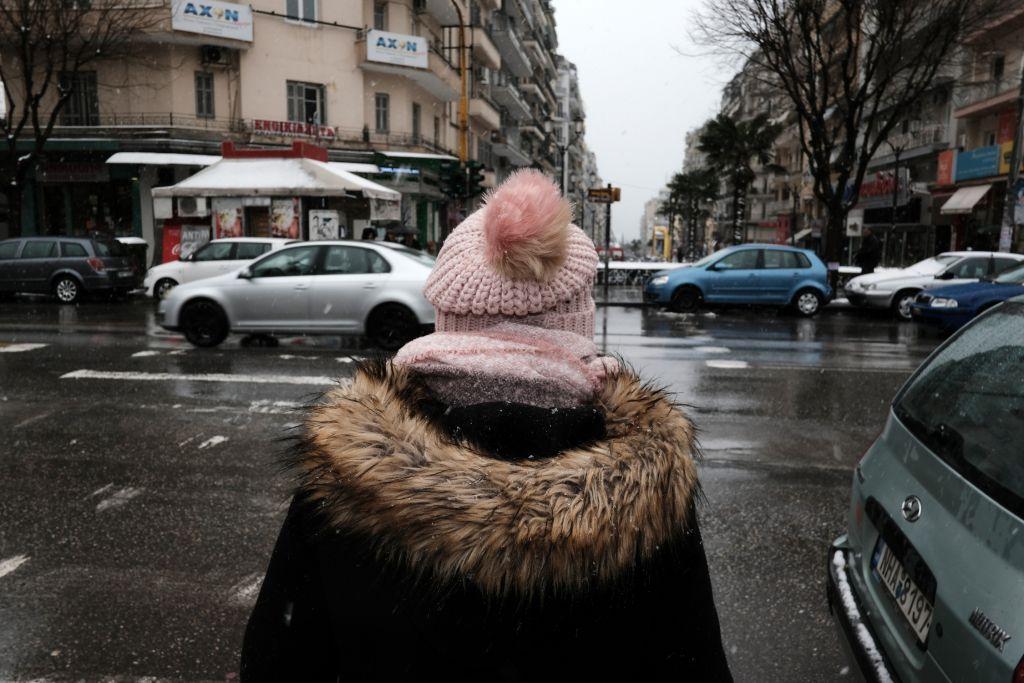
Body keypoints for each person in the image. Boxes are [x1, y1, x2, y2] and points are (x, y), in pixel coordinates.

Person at [240, 169, 733, 682]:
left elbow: (278, 660)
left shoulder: (346, 474)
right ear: (575, 323)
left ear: (447, 317)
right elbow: (695, 663)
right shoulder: (649, 490)